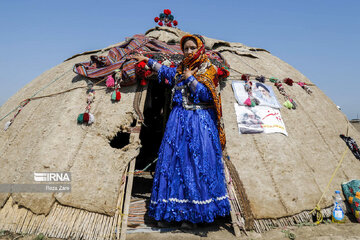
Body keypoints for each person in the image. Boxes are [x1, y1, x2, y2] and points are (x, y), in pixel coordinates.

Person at [133, 34, 230, 228]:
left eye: (192, 47)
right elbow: (168, 73)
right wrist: (148, 62)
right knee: (173, 163)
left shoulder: (208, 68)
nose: (189, 51)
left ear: (200, 48)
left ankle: (193, 216)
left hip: (199, 122)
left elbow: (206, 94)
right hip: (178, 122)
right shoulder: (181, 68)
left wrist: (191, 78)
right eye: (185, 48)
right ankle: (170, 214)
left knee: (195, 166)